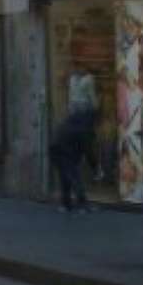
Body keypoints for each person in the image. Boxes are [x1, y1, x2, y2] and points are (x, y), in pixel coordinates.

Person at [53, 63, 97, 213]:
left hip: (58, 148)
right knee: (74, 175)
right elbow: (88, 149)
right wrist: (95, 167)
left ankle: (65, 204)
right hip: (64, 149)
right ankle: (82, 204)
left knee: (66, 175)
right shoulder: (83, 126)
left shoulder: (72, 119)